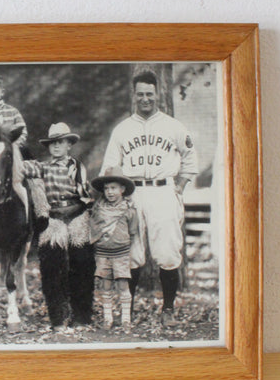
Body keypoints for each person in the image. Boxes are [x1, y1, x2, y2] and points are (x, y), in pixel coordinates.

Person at [101, 69, 198, 327]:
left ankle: (168, 310)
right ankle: (127, 310)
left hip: (163, 191)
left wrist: (179, 186)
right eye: (140, 94)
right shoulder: (122, 129)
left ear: (158, 94)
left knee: (167, 251)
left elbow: (190, 158)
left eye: (149, 94)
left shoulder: (173, 126)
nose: (145, 99)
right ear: (134, 95)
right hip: (132, 193)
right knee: (130, 253)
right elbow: (109, 166)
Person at [22, 123, 95, 330]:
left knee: (82, 263)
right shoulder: (42, 167)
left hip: (76, 213)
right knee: (51, 265)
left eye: (60, 142)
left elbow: (86, 194)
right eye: (52, 143)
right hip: (53, 217)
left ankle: (82, 315)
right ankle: (58, 316)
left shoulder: (77, 167)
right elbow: (19, 167)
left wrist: (86, 212)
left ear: (69, 145)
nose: (56, 146)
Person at [90, 167, 138, 329]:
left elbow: (133, 231)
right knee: (106, 285)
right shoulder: (98, 208)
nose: (109, 192)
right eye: (106, 188)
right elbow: (94, 228)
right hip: (103, 253)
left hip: (121, 253)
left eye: (113, 188)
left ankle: (125, 318)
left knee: (123, 285)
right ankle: (107, 318)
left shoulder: (128, 209)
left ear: (122, 189)